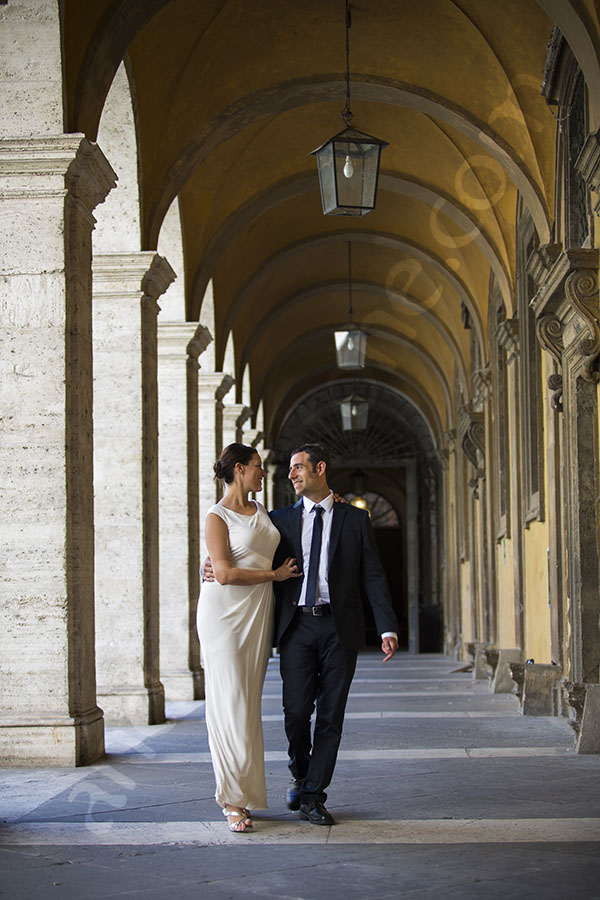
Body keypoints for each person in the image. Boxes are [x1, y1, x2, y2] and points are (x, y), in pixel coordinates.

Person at [203, 442, 399, 827]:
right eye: (286, 469)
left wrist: (387, 626)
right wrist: (206, 568)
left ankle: (313, 794)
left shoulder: (354, 520)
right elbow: (241, 553)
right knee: (295, 712)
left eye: (297, 468)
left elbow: (372, 574)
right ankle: (300, 772)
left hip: (340, 626)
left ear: (319, 468)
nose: (289, 474)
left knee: (330, 715)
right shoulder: (279, 520)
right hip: (295, 626)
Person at [197, 442, 301, 833]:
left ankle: (244, 793)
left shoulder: (262, 510)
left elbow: (288, 528)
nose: (262, 472)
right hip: (223, 615)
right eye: (257, 466)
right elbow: (221, 573)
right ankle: (231, 799)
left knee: (248, 705)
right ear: (239, 469)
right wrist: (273, 577)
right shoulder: (216, 515)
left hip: (256, 614)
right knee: (228, 703)